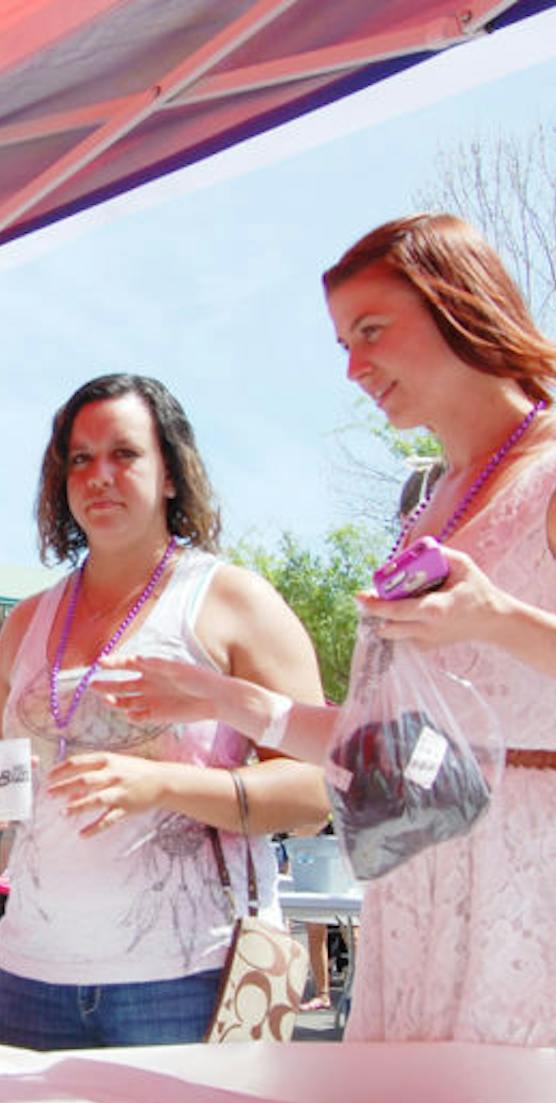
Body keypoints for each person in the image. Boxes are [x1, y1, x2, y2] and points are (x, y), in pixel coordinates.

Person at [103, 215, 556, 1047]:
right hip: (415, 888)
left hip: (525, 895)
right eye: (344, 342)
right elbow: (387, 736)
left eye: (372, 331)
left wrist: (499, 618)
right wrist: (218, 696)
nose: (354, 368)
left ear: (460, 303)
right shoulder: (431, 506)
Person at [0, 373, 330, 1051]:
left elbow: (313, 795)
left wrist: (163, 784)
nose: (99, 475)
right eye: (80, 457)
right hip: (26, 976)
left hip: (192, 978)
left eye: (124, 453)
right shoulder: (23, 623)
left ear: (169, 475)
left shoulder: (233, 601)